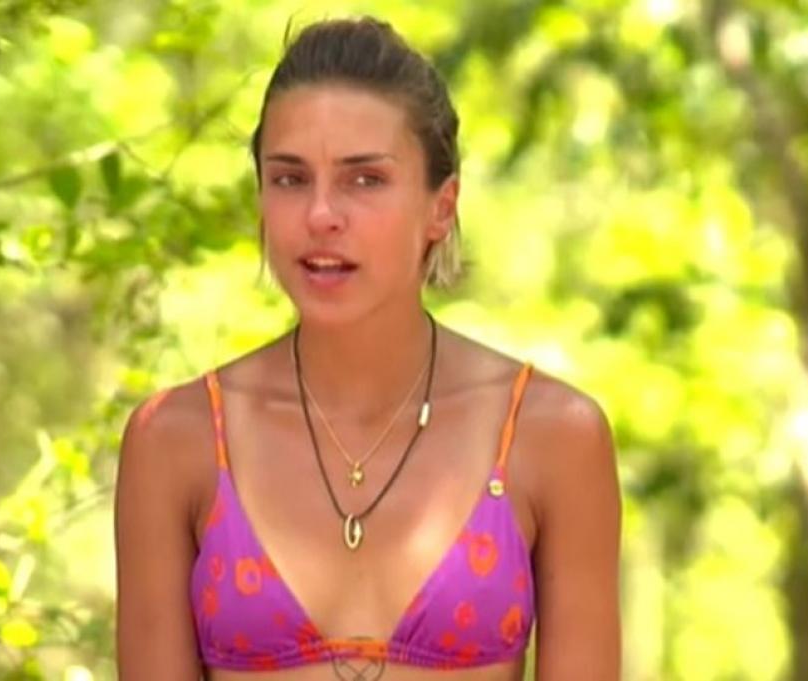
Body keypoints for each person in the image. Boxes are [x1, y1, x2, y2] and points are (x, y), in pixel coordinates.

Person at [114, 16, 620, 681]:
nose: (321, 214)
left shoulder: (552, 434)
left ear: (441, 207)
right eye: (290, 179)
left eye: (365, 180)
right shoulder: (174, 439)